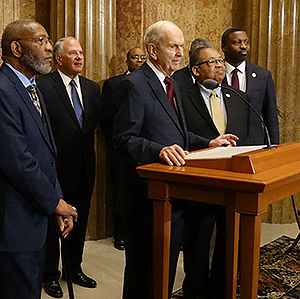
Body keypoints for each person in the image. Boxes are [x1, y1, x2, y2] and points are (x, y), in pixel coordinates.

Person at [112, 21, 238, 299]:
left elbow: (178, 135)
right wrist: (157, 150)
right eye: (174, 46)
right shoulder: (133, 84)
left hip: (174, 196)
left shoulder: (173, 84)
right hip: (146, 198)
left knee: (164, 276)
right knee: (144, 277)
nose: (180, 52)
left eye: (182, 46)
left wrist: (208, 143)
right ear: (153, 50)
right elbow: (123, 139)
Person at [0, 20, 78, 299]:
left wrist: (57, 203)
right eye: (41, 41)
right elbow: (18, 161)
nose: (49, 48)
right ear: (16, 48)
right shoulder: (0, 90)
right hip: (14, 225)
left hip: (36, 216)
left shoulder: (32, 87)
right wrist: (55, 203)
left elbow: (47, 155)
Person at [179, 46, 250, 299]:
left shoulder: (235, 95)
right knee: (198, 238)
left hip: (233, 178)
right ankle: (195, 289)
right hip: (200, 179)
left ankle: (221, 287)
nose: (219, 65)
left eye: (220, 60)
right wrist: (206, 143)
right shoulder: (182, 96)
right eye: (211, 61)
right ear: (196, 70)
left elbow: (246, 135)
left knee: (229, 236)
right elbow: (180, 136)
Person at [37, 37, 100, 298]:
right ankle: (49, 274)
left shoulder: (93, 88)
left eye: (81, 53)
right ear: (59, 58)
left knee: (79, 218)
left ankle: (74, 268)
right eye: (72, 53)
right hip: (56, 168)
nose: (79, 57)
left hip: (85, 166)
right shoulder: (43, 86)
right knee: (54, 223)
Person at [99, 47, 146, 251]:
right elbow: (107, 118)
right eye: (135, 57)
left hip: (147, 150)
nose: (139, 60)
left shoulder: (151, 84)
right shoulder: (114, 83)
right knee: (121, 193)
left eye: (143, 57)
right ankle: (121, 234)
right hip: (122, 148)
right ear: (126, 61)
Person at [221, 27, 279, 145]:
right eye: (237, 42)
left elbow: (271, 116)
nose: (244, 46)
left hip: (254, 144)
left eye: (246, 42)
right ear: (224, 47)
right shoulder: (214, 74)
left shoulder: (263, 75)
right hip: (224, 144)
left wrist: (274, 145)